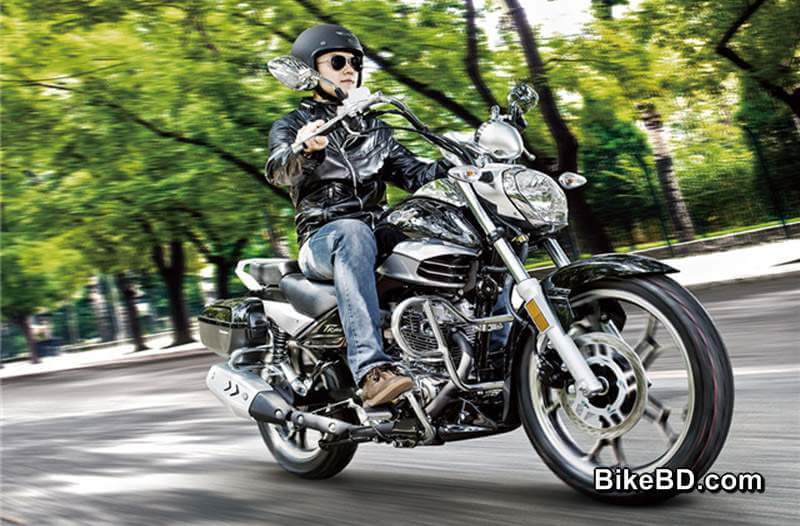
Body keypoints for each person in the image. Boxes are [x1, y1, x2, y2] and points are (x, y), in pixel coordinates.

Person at [264, 24, 453, 407]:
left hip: (375, 231)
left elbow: (415, 175)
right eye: (337, 62)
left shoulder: (375, 129)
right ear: (311, 70)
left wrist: (457, 161)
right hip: (324, 238)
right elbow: (278, 170)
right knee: (352, 232)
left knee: (445, 230)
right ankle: (372, 372)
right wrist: (304, 149)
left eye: (354, 62)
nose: (349, 68)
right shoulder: (293, 125)